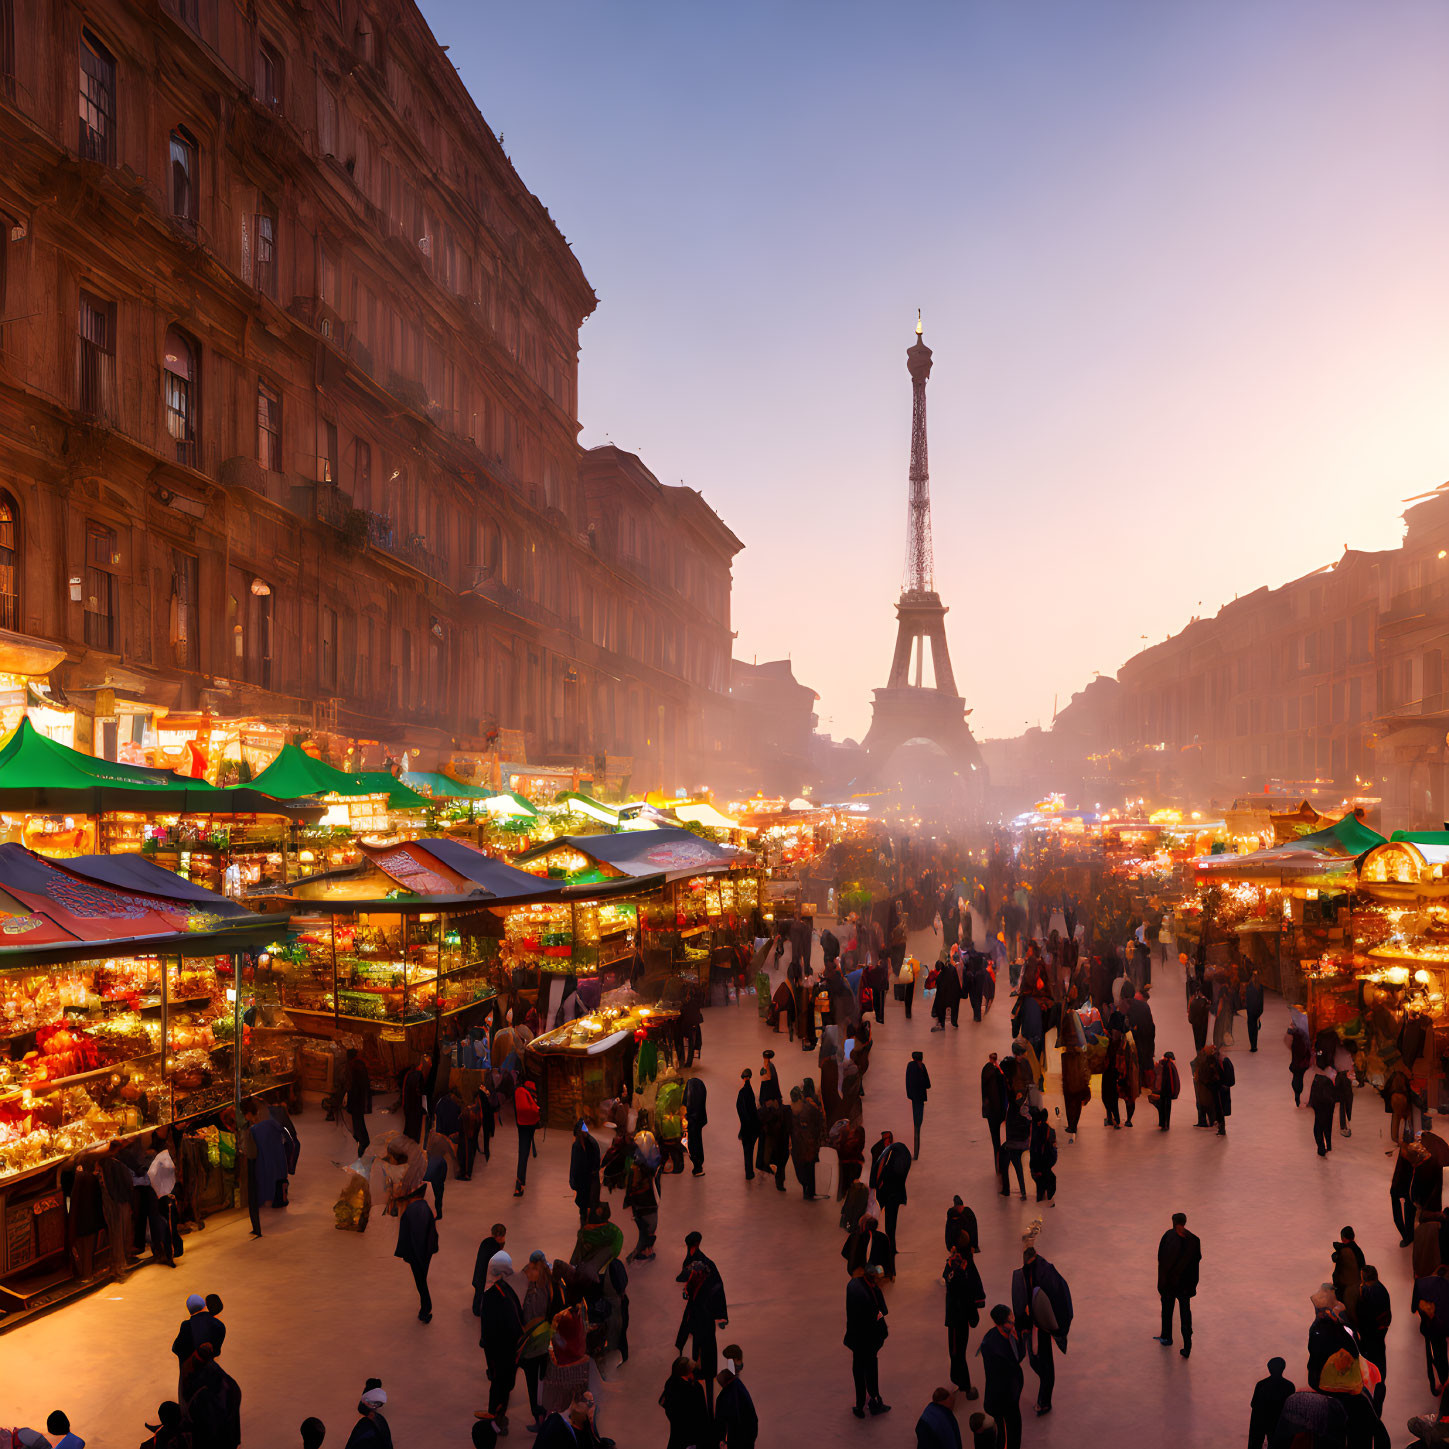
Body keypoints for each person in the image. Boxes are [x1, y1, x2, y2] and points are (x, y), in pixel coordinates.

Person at [1011, 1236, 1072, 1416]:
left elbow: (1056, 1302)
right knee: (1038, 1361)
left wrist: (1053, 1328)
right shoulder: (1039, 1272)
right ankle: (1044, 1398)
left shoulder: (1045, 1275)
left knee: (1044, 1365)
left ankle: (1044, 1402)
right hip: (1037, 1324)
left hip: (1042, 1327)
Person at [676, 1232, 729, 1412]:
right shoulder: (694, 1262)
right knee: (700, 1341)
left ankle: (707, 1370)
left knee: (706, 1342)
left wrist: (721, 1315)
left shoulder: (704, 1265)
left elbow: (717, 1289)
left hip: (703, 1313)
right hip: (698, 1312)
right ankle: (700, 1367)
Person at [479, 1251, 522, 1431]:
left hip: (503, 1348)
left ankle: (498, 1414)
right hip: (501, 1350)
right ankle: (496, 1417)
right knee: (500, 1384)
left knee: (503, 1383)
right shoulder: (496, 1294)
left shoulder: (500, 1290)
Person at [845, 1263, 891, 1419]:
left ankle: (859, 1404)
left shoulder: (853, 1285)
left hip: (856, 1338)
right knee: (871, 1370)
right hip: (868, 1341)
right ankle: (875, 1402)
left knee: (858, 1369)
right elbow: (880, 1313)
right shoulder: (870, 1296)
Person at [977, 1305, 1025, 1449]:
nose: (1014, 1319)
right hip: (1003, 1398)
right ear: (1004, 1322)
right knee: (1007, 1431)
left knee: (1013, 1425)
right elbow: (1016, 1360)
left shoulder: (996, 1334)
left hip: (1009, 1393)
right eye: (1011, 1317)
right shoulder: (997, 1348)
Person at [1156, 1212, 1201, 1358]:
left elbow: (1161, 1260)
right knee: (1185, 1315)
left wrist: (1162, 1283)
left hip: (1170, 1285)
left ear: (1174, 1222)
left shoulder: (1168, 1236)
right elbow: (1196, 1262)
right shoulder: (1194, 1240)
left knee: (1168, 1312)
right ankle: (1187, 1346)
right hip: (1184, 1286)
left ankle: (1167, 1337)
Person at [944, 1241, 984, 1400]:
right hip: (961, 1318)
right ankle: (962, 1383)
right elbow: (972, 1293)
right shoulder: (965, 1268)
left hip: (956, 1319)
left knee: (956, 1352)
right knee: (958, 1352)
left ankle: (962, 1383)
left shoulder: (954, 1267)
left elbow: (947, 1277)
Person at [394, 1187, 438, 1323]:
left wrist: (413, 1256)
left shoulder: (411, 1211)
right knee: (421, 1280)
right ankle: (424, 1309)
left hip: (417, 1253)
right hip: (427, 1251)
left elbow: (412, 1236)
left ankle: (426, 1309)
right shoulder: (426, 1208)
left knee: (421, 1282)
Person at [171, 1293, 225, 1394]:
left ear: (190, 1310)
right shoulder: (220, 1325)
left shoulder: (186, 1325)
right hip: (209, 1367)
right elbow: (217, 1352)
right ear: (204, 1306)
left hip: (192, 1373)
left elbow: (176, 1348)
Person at [1357, 1265, 1391, 1411]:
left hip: (1371, 1333)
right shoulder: (1381, 1289)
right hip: (1379, 1330)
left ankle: (1373, 1386)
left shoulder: (1368, 1292)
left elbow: (1364, 1315)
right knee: (1378, 1355)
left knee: (1370, 1357)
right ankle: (1379, 1381)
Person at [870, 1130, 912, 1242]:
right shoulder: (879, 1152)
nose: (887, 1141)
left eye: (889, 1139)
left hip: (889, 1192)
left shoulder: (892, 1154)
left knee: (889, 1220)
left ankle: (889, 1240)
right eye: (885, 1139)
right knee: (877, 1214)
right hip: (881, 1191)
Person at [659, 1357, 710, 1449]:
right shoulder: (694, 1389)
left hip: (677, 1430)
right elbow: (701, 1414)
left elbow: (666, 1404)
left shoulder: (670, 1383)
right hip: (691, 1434)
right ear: (689, 1373)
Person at [1247, 1357, 1294, 1449]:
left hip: (1261, 1420)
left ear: (1269, 1368)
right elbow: (1290, 1407)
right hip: (1278, 1422)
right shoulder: (1289, 1386)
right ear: (1283, 1368)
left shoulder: (1261, 1384)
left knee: (1256, 1443)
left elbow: (1253, 1404)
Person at [789, 1085, 825, 1200]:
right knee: (802, 1171)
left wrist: (817, 1139)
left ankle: (810, 1191)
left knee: (809, 1170)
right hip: (799, 1148)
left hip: (809, 1147)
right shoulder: (791, 1111)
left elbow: (819, 1123)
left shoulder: (809, 1109)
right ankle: (806, 1188)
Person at [715, 1369, 757, 1449]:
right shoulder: (740, 1387)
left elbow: (720, 1420)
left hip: (736, 1439)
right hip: (748, 1436)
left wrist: (721, 1438)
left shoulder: (724, 1396)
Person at [568, 1121, 601, 1225]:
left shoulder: (579, 1145)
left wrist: (573, 1180)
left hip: (584, 1180)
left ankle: (585, 1222)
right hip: (589, 1179)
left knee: (585, 1202)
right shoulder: (592, 1143)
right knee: (589, 1202)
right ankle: (588, 1220)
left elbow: (574, 1164)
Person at [472, 1223, 507, 1316]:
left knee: (478, 1293)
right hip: (486, 1279)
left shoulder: (485, 1242)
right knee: (483, 1296)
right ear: (499, 1237)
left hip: (479, 1275)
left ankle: (476, 1308)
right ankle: (479, 1311)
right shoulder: (496, 1248)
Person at [513, 1078, 540, 1196]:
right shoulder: (525, 1092)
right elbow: (526, 1108)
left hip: (522, 1124)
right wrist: (536, 1110)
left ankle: (520, 1183)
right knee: (524, 1152)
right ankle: (519, 1184)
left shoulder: (520, 1091)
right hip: (529, 1124)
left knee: (523, 1152)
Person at [343, 1385, 391, 1449]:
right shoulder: (370, 1421)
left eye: (377, 1404)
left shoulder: (380, 1421)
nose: (374, 1406)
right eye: (371, 1402)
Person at [1028, 1109, 1056, 1206]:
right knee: (1049, 1182)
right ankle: (1048, 1203)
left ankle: (1042, 1203)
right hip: (1043, 1165)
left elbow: (1035, 1150)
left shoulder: (1035, 1130)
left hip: (1037, 1166)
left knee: (1041, 1187)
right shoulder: (1049, 1131)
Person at [906, 1051, 931, 1160]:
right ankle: (916, 1153)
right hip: (920, 1098)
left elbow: (907, 1081)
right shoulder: (922, 1067)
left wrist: (910, 1094)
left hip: (914, 1098)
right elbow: (928, 1084)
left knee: (915, 1123)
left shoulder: (910, 1066)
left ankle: (915, 1153)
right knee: (918, 1125)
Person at [1309, 1061, 1337, 1156]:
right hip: (1326, 1107)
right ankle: (1326, 1146)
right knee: (1326, 1126)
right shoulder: (1327, 1082)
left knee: (1319, 1127)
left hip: (1320, 1106)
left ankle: (1322, 1147)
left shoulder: (1316, 1079)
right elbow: (1332, 1097)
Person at [736, 1069, 759, 1181]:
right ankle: (750, 1172)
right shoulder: (750, 1092)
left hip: (746, 1127)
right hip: (753, 1127)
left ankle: (749, 1172)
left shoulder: (742, 1093)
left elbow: (740, 1109)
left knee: (747, 1150)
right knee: (750, 1149)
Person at [684, 1074, 708, 1177]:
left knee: (693, 1144)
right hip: (699, 1120)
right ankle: (698, 1165)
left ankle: (697, 1166)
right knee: (698, 1141)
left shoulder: (689, 1091)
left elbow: (685, 1102)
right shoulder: (701, 1088)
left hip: (692, 1121)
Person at [1153, 1051, 1180, 1131]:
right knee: (1167, 1108)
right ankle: (1165, 1124)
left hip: (1160, 1090)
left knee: (1161, 1106)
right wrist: (1173, 1092)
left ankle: (1162, 1123)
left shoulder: (1160, 1064)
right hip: (1167, 1091)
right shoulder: (1170, 1065)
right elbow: (1173, 1080)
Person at [1245, 970, 1264, 1053]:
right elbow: (1261, 1000)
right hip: (1257, 1010)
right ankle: (1255, 1045)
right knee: (1255, 1028)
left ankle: (1252, 1045)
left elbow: (1247, 999)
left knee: (1250, 1027)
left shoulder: (1249, 986)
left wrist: (1247, 1008)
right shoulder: (1260, 987)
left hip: (1250, 1010)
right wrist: (1260, 1011)